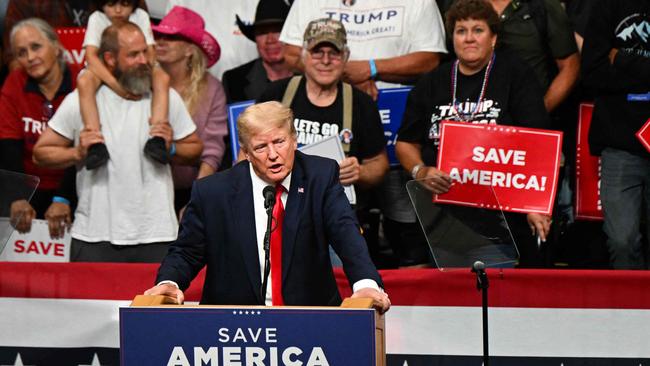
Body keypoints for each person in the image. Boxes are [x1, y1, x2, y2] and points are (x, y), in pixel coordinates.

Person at [144, 101, 390, 313]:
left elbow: (346, 235)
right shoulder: (212, 192)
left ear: (294, 140)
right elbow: (187, 252)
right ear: (246, 153)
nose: (273, 154)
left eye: (280, 142)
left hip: (309, 319)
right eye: (261, 147)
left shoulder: (320, 176)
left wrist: (365, 284)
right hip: (233, 326)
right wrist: (169, 283)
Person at [395, 0, 552, 267]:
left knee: (494, 297)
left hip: (501, 219)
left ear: (493, 39)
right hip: (443, 220)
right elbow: (406, 143)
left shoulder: (516, 74)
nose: (469, 38)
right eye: (461, 31)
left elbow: (539, 143)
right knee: (451, 300)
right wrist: (420, 171)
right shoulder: (432, 82)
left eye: (478, 30)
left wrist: (536, 204)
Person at [32, 22, 202, 262]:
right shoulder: (80, 100)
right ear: (110, 59)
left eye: (145, 52)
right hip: (94, 236)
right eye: (133, 54)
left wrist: (171, 148)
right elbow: (41, 153)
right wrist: (77, 153)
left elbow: (195, 149)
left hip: (157, 234)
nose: (144, 60)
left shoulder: (165, 98)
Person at [259, 18, 389, 189]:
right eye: (317, 52)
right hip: (281, 206)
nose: (325, 60)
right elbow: (245, 155)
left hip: (339, 209)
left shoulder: (362, 103)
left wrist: (361, 172)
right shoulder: (275, 94)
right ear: (304, 56)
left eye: (334, 53)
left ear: (345, 57)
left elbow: (379, 163)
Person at [581, 0, 650, 269]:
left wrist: (621, 58)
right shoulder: (605, 6)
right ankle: (634, 309)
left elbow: (609, 64)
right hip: (618, 142)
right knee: (622, 242)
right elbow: (592, 72)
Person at [0, 18, 78, 239]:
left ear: (56, 45)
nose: (30, 57)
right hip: (28, 185)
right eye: (21, 52)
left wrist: (63, 198)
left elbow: (83, 148)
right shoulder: (14, 83)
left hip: (75, 182)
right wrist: (17, 197)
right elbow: (8, 145)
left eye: (36, 47)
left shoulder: (81, 79)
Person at [279, 0, 446, 99]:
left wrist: (370, 68)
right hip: (326, 108)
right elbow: (291, 54)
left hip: (395, 105)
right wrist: (342, 76)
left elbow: (429, 59)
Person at [78, 0, 170, 170]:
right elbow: (91, 57)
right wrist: (116, 86)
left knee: (162, 78)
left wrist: (145, 68)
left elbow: (149, 51)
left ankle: (157, 138)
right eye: (111, 4)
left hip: (138, 65)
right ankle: (95, 143)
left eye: (125, 4)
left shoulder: (140, 16)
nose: (118, 10)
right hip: (104, 68)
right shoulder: (97, 18)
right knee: (84, 81)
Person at [153, 6, 228, 214]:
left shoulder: (212, 88)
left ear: (190, 49)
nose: (161, 42)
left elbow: (212, 152)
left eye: (171, 37)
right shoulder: (144, 85)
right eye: (159, 35)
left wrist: (197, 201)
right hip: (147, 190)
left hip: (191, 189)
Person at [163, 0, 261, 78]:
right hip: (199, 89)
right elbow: (169, 51)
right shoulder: (183, 2)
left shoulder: (257, 3)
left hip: (250, 89)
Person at [222, 0, 293, 104]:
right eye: (262, 32)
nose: (270, 40)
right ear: (255, 38)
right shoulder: (234, 80)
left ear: (291, 35)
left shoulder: (309, 78)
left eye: (277, 30)